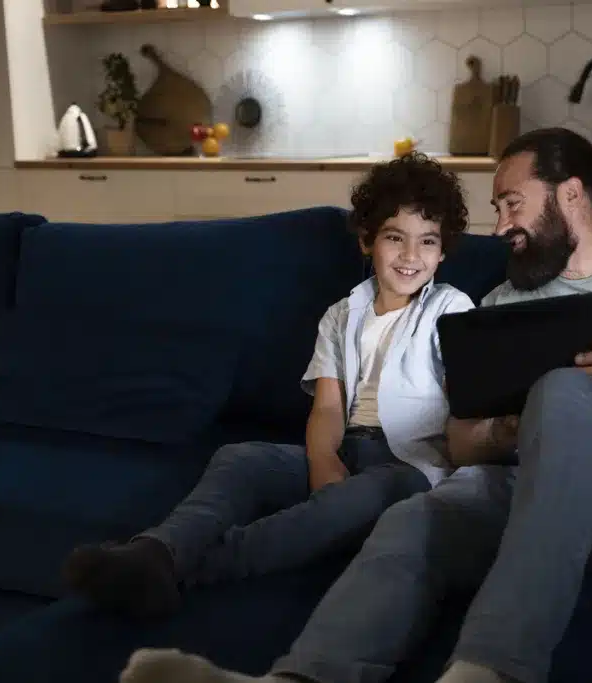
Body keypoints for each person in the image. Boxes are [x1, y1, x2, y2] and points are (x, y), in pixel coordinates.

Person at [117, 127, 592, 683]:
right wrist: (519, 428)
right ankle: (303, 677)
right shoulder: (499, 302)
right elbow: (465, 442)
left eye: (511, 203)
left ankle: (492, 668)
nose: (499, 226)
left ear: (572, 195)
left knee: (564, 389)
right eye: (497, 208)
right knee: (416, 515)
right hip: (526, 494)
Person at [62, 152, 475, 619]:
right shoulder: (342, 315)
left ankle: (182, 570)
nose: (410, 256)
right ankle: (158, 548)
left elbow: (465, 403)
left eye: (427, 242)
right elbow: (328, 409)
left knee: (357, 499)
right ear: (367, 240)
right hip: (347, 449)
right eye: (395, 238)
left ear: (443, 252)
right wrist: (322, 461)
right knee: (240, 457)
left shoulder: (452, 311)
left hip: (408, 465)